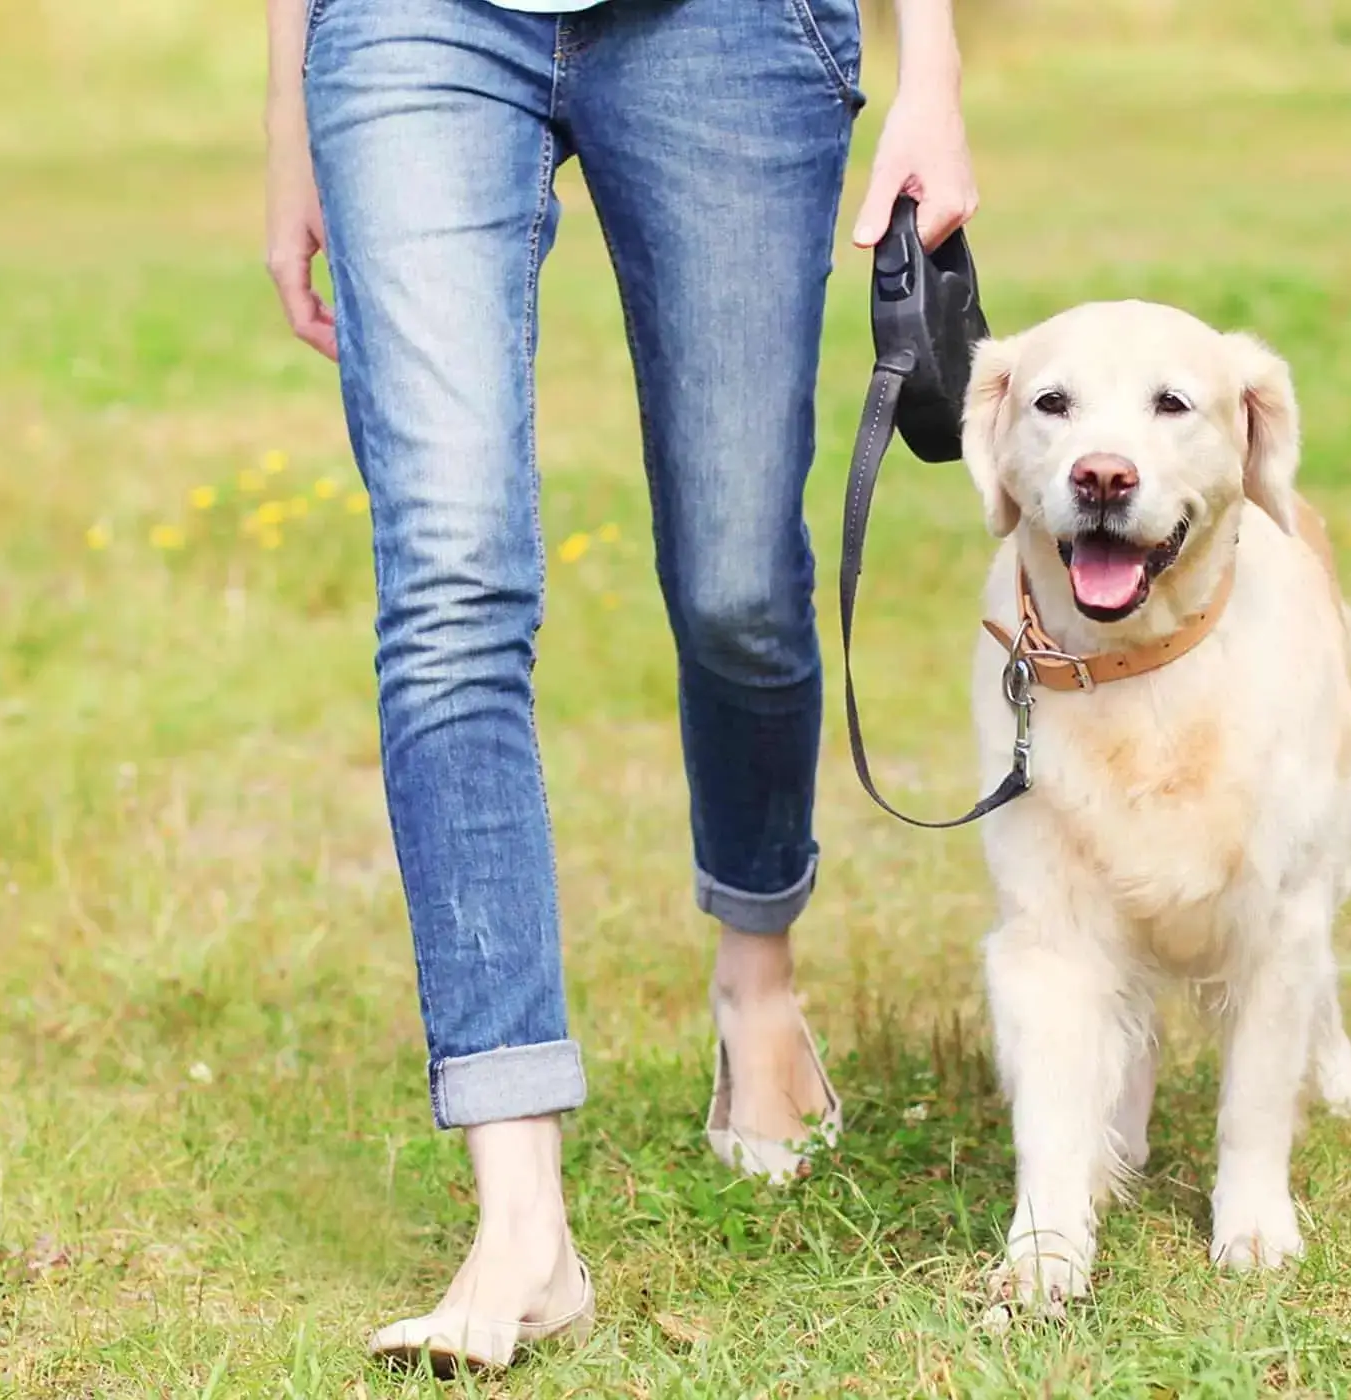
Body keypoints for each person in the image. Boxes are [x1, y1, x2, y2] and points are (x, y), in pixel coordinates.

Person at [262, 0, 976, 1370]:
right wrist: (292, 118)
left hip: (729, 29)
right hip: (411, 32)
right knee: (451, 577)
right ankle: (521, 1221)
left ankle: (757, 985)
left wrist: (931, 68)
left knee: (738, 586)